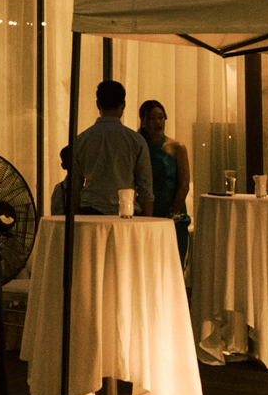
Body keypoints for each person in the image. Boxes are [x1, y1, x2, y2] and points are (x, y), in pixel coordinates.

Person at [71, 80, 149, 215]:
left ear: (98, 104)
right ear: (123, 104)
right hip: (126, 213)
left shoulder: (81, 140)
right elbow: (145, 186)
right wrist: (147, 218)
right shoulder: (136, 140)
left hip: (90, 213)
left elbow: (74, 186)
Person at [138, 99, 192, 260]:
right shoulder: (139, 146)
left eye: (161, 117)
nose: (157, 122)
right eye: (152, 118)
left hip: (172, 209)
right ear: (144, 121)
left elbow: (184, 185)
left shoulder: (177, 147)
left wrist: (173, 213)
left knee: (173, 259)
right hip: (146, 210)